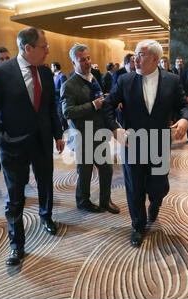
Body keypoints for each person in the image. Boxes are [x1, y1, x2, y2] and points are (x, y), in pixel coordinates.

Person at [0, 27, 65, 266]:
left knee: (46, 184)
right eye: (44, 46)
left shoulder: (45, 72)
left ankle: (46, 217)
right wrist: (1, 139)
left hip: (42, 141)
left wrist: (58, 133)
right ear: (28, 48)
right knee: (15, 196)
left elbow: (51, 107)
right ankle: (16, 245)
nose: (48, 50)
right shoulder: (0, 72)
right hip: (13, 145)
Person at [102, 39, 188, 248]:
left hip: (159, 143)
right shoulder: (125, 81)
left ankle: (156, 202)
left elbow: (183, 105)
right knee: (134, 187)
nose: (135, 59)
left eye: (140, 54)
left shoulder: (171, 80)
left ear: (155, 58)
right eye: (135, 54)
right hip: (131, 144)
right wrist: (116, 129)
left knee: (159, 186)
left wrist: (185, 119)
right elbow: (107, 105)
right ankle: (138, 226)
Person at [61, 44, 120, 215]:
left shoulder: (93, 77)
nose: (87, 62)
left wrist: (106, 101)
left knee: (106, 169)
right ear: (74, 62)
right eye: (82, 60)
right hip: (82, 136)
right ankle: (83, 202)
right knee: (85, 173)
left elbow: (99, 100)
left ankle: (105, 200)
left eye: (88, 58)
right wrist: (93, 105)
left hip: (99, 133)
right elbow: (68, 112)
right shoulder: (69, 85)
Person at [51, 62, 68, 130]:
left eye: (52, 67)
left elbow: (63, 90)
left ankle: (66, 129)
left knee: (61, 116)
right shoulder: (54, 76)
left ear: (55, 67)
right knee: (58, 116)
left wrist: (52, 90)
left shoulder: (62, 76)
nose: (51, 68)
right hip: (55, 99)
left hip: (60, 100)